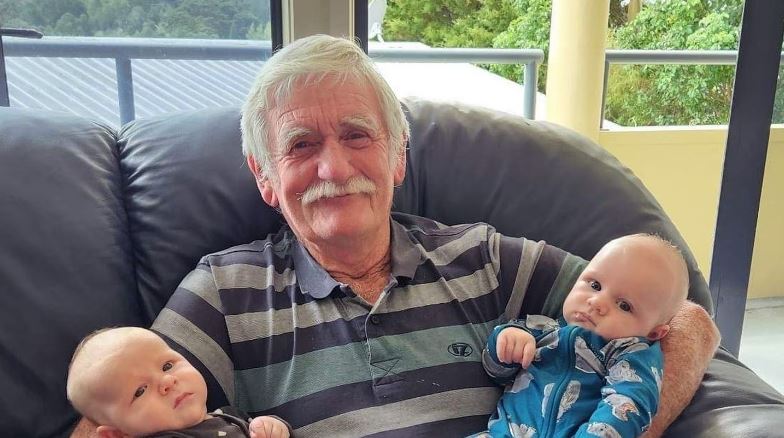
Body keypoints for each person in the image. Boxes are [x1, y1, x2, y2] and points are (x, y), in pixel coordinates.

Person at [70, 34, 719, 438]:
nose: (334, 167)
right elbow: (110, 413)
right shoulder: (223, 291)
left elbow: (689, 321)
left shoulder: (483, 258)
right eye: (301, 146)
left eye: (357, 135)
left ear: (398, 155)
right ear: (265, 180)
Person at [476, 234, 688, 438]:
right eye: (595, 285)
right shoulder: (541, 329)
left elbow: (629, 403)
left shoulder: (630, 354)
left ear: (654, 333)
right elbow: (496, 372)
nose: (596, 302)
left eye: (624, 305)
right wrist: (506, 342)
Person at [66, 327, 291, 438]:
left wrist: (273, 428)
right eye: (140, 391)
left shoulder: (229, 415)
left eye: (167, 366)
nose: (167, 381)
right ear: (116, 435)